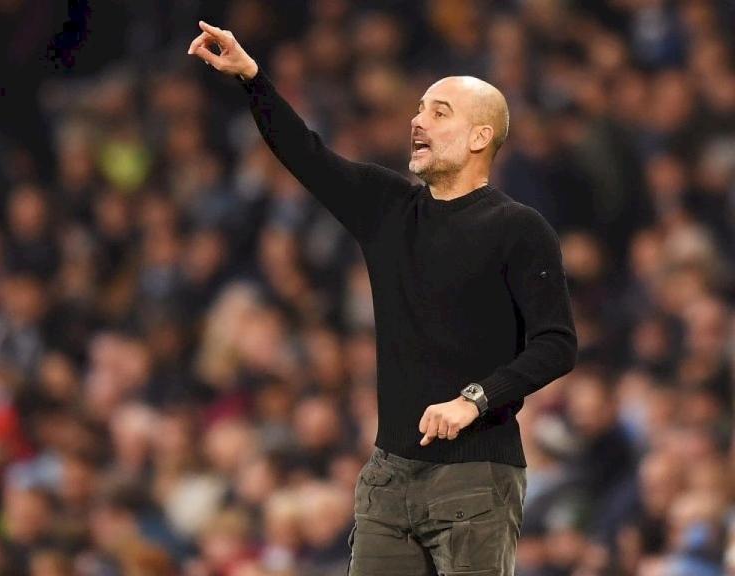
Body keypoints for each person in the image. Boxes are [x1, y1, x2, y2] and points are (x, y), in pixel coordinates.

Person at [188, 19, 578, 576]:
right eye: (418, 109)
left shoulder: (519, 228)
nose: (417, 120)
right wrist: (252, 78)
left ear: (479, 137)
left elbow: (557, 344)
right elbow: (307, 154)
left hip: (476, 477)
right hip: (388, 475)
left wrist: (474, 399)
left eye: (438, 112)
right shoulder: (388, 209)